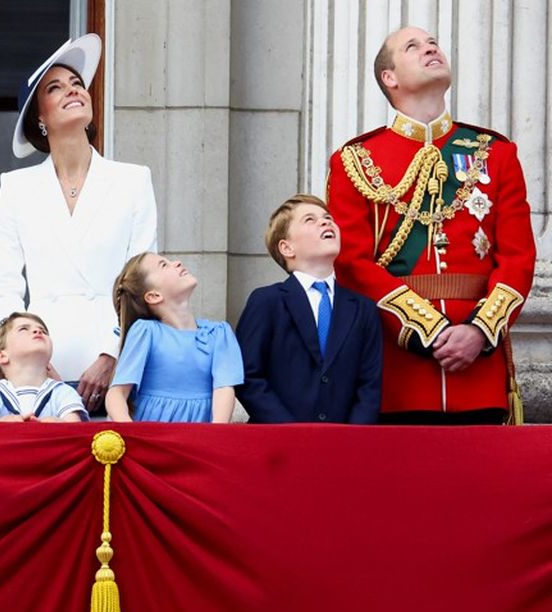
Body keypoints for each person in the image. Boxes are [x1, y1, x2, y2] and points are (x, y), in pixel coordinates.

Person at [327, 26, 536, 424]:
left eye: (433, 43)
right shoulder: (355, 160)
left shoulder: (496, 153)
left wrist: (478, 331)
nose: (430, 48)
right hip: (398, 374)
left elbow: (518, 258)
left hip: (480, 369)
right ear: (390, 78)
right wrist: (429, 330)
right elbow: (351, 264)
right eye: (413, 46)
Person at [0, 33, 158, 415]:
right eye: (56, 87)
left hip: (120, 366)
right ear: (40, 117)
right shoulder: (15, 188)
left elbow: (141, 280)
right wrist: (26, 359)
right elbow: (6, 285)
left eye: (77, 84)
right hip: (40, 368)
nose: (73, 90)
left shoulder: (133, 180)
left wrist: (111, 354)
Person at [236, 194, 382, 423]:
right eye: (310, 220)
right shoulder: (267, 301)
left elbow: (369, 385)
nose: (325, 222)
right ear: (286, 247)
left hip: (345, 444)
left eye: (327, 217)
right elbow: (248, 375)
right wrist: (291, 431)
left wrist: (354, 437)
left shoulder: (363, 308)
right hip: (280, 442)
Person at [105, 253, 243, 423]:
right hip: (153, 435)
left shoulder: (219, 334)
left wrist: (215, 434)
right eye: (164, 265)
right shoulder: (146, 332)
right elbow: (117, 393)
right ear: (154, 296)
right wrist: (129, 430)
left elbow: (224, 389)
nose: (177, 263)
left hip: (199, 437)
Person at [0, 312, 87, 422]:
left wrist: (59, 425)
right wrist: (3, 424)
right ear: (2, 356)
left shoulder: (64, 392)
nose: (37, 331)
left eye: (43, 331)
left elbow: (74, 429)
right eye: (24, 329)